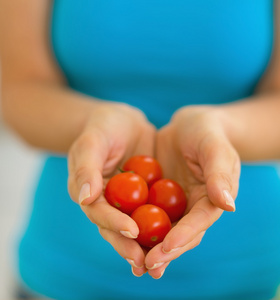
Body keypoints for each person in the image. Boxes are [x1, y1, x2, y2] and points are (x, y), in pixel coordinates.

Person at [1, 1, 280, 299]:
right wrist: (91, 122)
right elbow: (17, 92)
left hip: (243, 276)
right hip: (64, 272)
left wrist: (222, 127)